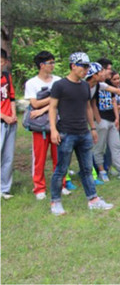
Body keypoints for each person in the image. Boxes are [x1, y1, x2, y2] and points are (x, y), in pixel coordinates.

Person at [48, 52, 113, 215]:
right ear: (73, 66)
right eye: (83, 67)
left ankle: (93, 199)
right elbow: (52, 107)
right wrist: (53, 130)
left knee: (86, 168)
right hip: (65, 133)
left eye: (87, 67)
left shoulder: (85, 86)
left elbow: (88, 107)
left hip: (83, 133)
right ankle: (55, 202)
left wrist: (92, 128)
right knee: (61, 169)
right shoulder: (60, 85)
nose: (86, 70)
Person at [23, 51, 64, 199]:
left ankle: (61, 184)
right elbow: (34, 103)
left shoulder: (58, 81)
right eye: (50, 63)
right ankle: (39, 188)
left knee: (59, 156)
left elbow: (59, 100)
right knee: (39, 158)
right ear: (42, 65)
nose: (53, 65)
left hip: (58, 123)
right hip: (39, 126)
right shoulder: (32, 83)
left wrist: (45, 106)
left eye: (53, 62)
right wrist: (54, 97)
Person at [90, 64, 120, 181]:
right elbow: (92, 104)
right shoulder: (93, 86)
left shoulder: (105, 85)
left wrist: (116, 118)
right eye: (107, 69)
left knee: (116, 145)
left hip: (112, 119)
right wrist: (98, 120)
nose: (108, 72)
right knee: (99, 147)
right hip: (101, 120)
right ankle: (102, 171)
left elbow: (114, 98)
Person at [1, 49, 17, 199]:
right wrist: (4, 116)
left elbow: (12, 97)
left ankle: (4, 188)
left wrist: (12, 114)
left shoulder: (6, 76)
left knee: (8, 156)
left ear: (4, 62)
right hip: (1, 119)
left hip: (10, 121)